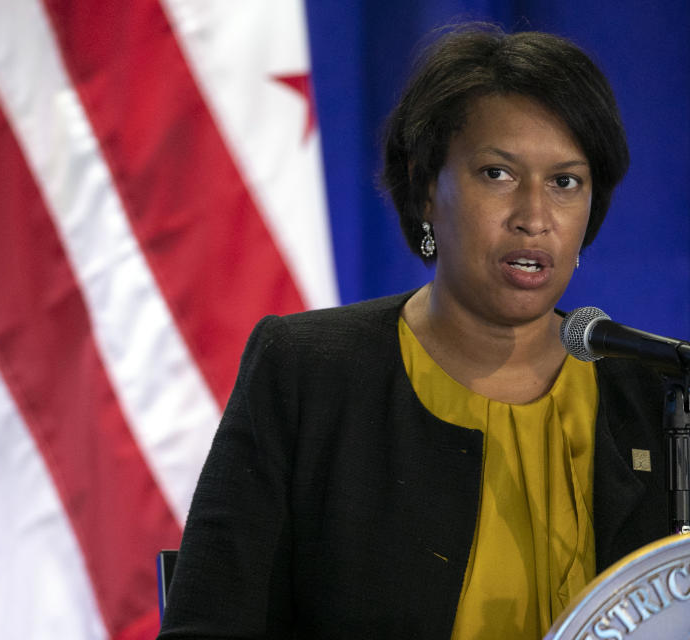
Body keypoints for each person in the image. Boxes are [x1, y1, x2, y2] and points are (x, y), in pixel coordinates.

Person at [157, 23, 667, 639]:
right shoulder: (308, 373)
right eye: (497, 174)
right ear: (428, 190)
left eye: (565, 182)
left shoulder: (656, 396)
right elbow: (209, 623)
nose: (534, 217)